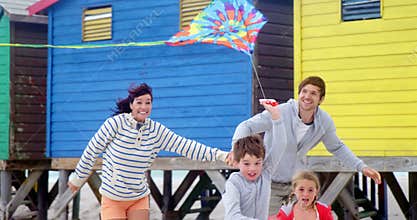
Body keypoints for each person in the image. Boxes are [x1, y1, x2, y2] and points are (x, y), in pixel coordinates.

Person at [67, 83, 231, 220]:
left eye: (148, 102)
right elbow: (92, 150)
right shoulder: (115, 124)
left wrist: (221, 155)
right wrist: (78, 177)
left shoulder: (156, 131)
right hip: (112, 198)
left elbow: (186, 146)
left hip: (138, 198)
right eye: (139, 102)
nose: (144, 107)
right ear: (131, 105)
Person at [231, 76, 381, 214]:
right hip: (270, 184)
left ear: (321, 99)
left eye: (313, 93)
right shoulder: (280, 111)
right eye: (304, 91)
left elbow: (337, 147)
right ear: (299, 94)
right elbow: (246, 126)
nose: (307, 96)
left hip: (296, 186)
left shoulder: (323, 121)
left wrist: (361, 167)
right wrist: (235, 150)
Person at [223, 100, 286, 220]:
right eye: (246, 163)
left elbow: (281, 144)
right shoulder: (233, 183)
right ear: (237, 162)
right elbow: (232, 216)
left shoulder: (265, 173)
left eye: (257, 163)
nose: (253, 168)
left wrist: (276, 115)